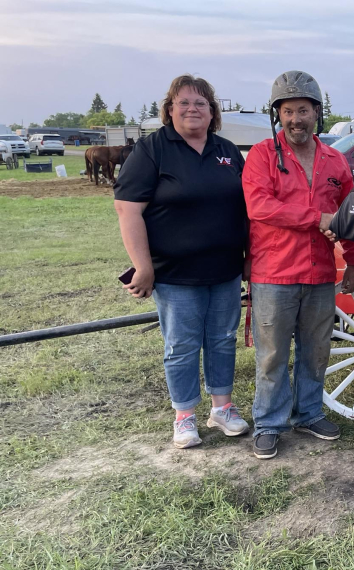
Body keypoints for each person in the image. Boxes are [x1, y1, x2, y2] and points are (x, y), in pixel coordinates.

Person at [114, 74, 249, 449]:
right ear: (169, 110)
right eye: (184, 103)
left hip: (224, 269)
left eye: (200, 104)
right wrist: (143, 266)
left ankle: (222, 408)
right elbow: (128, 210)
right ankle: (185, 416)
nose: (192, 109)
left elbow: (246, 210)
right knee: (182, 344)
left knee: (222, 339)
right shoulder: (152, 150)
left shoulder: (227, 151)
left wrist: (248, 259)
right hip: (175, 273)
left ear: (213, 112)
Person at [242, 70, 354, 460]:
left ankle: (308, 413)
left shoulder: (335, 161)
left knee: (316, 350)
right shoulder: (262, 156)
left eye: (304, 110)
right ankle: (269, 423)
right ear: (278, 114)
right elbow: (260, 207)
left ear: (317, 114)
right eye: (289, 110)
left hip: (321, 273)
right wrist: (317, 218)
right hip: (273, 274)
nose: (296, 119)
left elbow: (349, 216)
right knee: (272, 354)